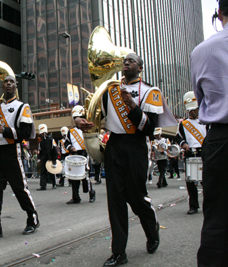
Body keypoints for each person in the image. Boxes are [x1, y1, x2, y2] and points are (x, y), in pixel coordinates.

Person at [75, 53, 176, 266]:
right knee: (116, 200)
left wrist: (131, 104)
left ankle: (152, 229)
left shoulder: (151, 92)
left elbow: (149, 128)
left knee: (136, 197)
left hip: (137, 146)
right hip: (114, 146)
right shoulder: (109, 91)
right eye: (125, 61)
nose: (126, 63)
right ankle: (119, 252)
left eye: (131, 61)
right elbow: (92, 113)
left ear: (140, 68)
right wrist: (79, 120)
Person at [0, 75, 39, 241]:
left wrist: (4, 130)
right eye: (6, 82)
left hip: (13, 151)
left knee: (20, 189)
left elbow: (25, 134)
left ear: (15, 87)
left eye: (11, 82)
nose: (8, 84)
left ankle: (32, 219)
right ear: (2, 87)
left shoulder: (22, 107)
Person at [191, 1, 228, 263]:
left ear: (219, 13)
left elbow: (201, 96)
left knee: (217, 218)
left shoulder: (202, 51)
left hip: (221, 139)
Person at [176, 91, 206, 215]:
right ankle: (193, 206)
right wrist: (183, 143)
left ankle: (210, 205)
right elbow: (177, 137)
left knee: (207, 181)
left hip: (204, 152)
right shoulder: (183, 124)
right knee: (190, 182)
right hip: (190, 154)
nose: (192, 112)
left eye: (194, 110)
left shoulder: (206, 120)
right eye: (190, 110)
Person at [64, 105, 96, 204]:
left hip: (85, 153)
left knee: (85, 175)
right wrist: (70, 147)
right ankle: (76, 197)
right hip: (75, 154)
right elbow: (66, 143)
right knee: (74, 176)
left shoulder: (88, 128)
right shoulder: (71, 131)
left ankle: (91, 193)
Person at [37, 124, 58, 190]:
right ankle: (43, 186)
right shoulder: (41, 142)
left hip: (50, 159)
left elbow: (54, 150)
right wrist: (39, 158)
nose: (41, 135)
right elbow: (40, 151)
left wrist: (54, 159)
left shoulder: (51, 140)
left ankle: (54, 184)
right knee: (43, 172)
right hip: (44, 159)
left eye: (42, 133)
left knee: (52, 172)